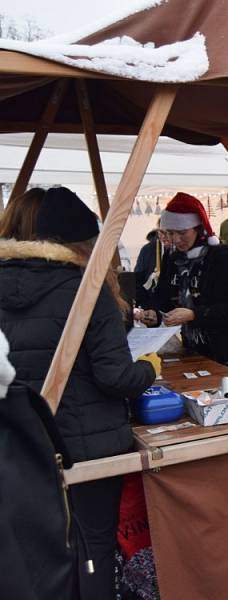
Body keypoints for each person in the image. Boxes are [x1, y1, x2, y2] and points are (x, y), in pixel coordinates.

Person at [0, 186, 156, 600]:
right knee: (93, 552)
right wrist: (150, 368)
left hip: (20, 444)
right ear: (84, 244)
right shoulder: (86, 289)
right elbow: (115, 376)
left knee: (38, 554)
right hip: (86, 448)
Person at [139, 192, 228, 376]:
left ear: (198, 228)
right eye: (171, 233)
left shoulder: (221, 256)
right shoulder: (172, 258)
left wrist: (193, 314)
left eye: (182, 233)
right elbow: (163, 295)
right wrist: (154, 312)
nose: (176, 240)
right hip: (195, 350)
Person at [133, 224, 171, 307]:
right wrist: (146, 306)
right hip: (150, 303)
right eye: (161, 233)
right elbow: (137, 279)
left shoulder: (181, 251)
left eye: (169, 233)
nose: (165, 237)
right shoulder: (148, 249)